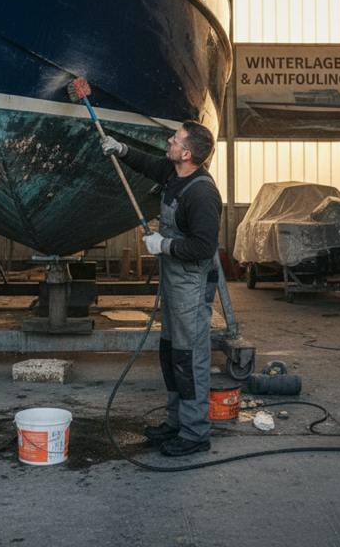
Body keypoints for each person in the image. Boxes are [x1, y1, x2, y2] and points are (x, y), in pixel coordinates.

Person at [101, 121, 221, 457]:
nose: (169, 140)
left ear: (187, 154)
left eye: (175, 139)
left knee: (189, 356)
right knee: (171, 352)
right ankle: (176, 421)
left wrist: (163, 245)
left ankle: (195, 432)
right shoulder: (174, 172)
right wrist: (121, 149)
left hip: (191, 283)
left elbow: (204, 247)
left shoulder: (202, 193)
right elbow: (151, 165)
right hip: (174, 279)